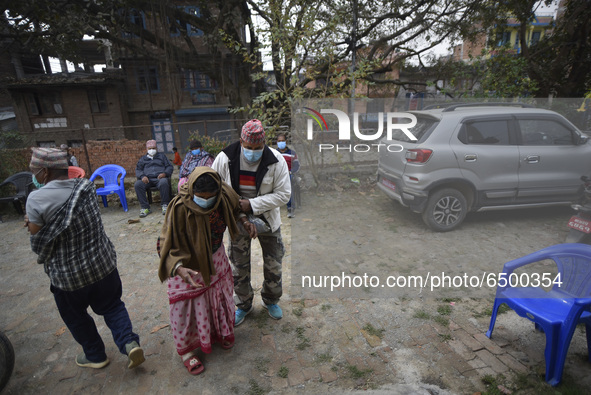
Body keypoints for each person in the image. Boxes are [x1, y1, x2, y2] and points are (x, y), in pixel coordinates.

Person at [24, 147, 145, 370]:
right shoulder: (86, 187)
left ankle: (95, 355)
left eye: (34, 169)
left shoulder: (36, 198)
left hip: (68, 278)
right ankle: (129, 342)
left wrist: (30, 221)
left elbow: (37, 236)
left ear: (44, 172)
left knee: (76, 317)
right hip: (102, 267)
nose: (33, 174)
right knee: (113, 307)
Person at [157, 167, 257, 375]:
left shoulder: (223, 195)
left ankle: (221, 332)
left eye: (210, 198)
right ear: (192, 191)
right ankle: (187, 353)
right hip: (188, 266)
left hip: (216, 258)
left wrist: (245, 222)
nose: (206, 202)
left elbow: (236, 208)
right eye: (200, 198)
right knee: (186, 308)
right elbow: (163, 244)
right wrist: (179, 269)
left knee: (218, 297)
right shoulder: (179, 208)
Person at [212, 119, 291, 325]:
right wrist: (242, 215)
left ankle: (271, 300)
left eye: (258, 148)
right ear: (241, 142)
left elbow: (284, 194)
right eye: (248, 148)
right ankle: (244, 305)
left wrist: (252, 204)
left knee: (274, 263)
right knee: (239, 266)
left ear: (264, 143)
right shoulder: (225, 158)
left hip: (268, 219)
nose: (253, 152)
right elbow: (217, 189)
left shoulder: (276, 160)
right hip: (237, 219)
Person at [134, 139, 174, 217]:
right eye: (150, 148)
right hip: (147, 180)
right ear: (147, 149)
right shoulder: (143, 159)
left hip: (160, 178)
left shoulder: (162, 157)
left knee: (164, 182)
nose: (152, 150)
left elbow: (169, 166)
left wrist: (165, 174)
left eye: (153, 148)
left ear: (157, 148)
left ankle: (165, 205)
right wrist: (142, 176)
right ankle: (145, 207)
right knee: (137, 184)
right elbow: (138, 169)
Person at [276, 133, 300, 218]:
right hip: (277, 175)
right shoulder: (274, 153)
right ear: (277, 142)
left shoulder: (292, 153)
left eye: (283, 141)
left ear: (286, 141)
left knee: (288, 184)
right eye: (279, 141)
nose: (281, 142)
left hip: (289, 174)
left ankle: (290, 208)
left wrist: (291, 171)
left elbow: (297, 166)